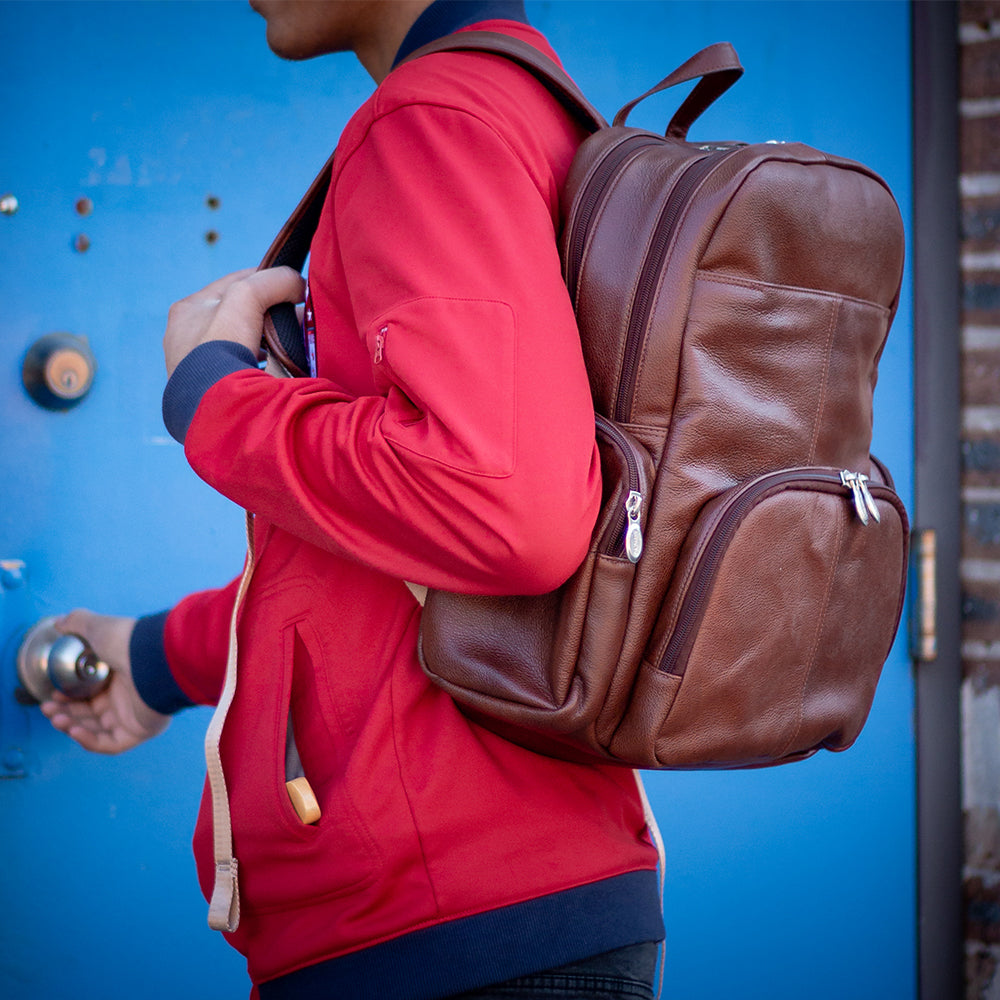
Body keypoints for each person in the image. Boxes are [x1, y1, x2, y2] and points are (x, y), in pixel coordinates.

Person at [41, 2, 665, 997]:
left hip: (436, 924)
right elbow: (383, 567)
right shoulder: (527, 110)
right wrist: (155, 657)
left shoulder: (431, 119)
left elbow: (505, 511)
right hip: (510, 892)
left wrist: (214, 400)